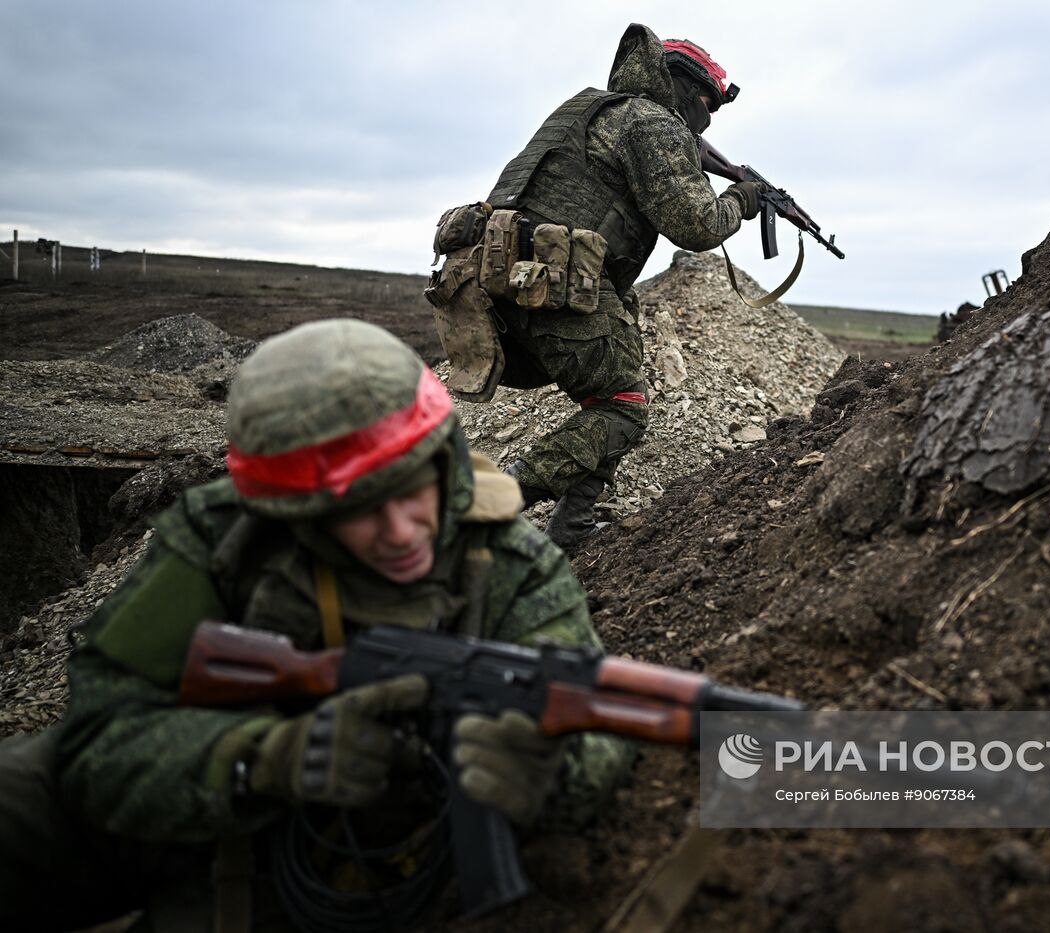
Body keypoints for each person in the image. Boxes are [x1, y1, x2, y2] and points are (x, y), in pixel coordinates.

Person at [0, 319, 632, 931]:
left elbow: (603, 721)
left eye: (413, 489)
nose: (399, 530)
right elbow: (102, 734)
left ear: (446, 462)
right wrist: (262, 759)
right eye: (358, 508)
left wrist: (553, 768)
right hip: (219, 817)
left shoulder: (510, 565)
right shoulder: (227, 538)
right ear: (293, 511)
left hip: (379, 852)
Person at [482, 22, 764, 548]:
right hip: (556, 279)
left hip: (508, 273)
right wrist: (743, 200)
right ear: (685, 89)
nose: (707, 115)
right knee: (623, 405)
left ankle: (572, 527)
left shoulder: (596, 108)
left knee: (610, 395)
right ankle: (489, 506)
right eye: (708, 102)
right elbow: (698, 225)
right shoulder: (653, 124)